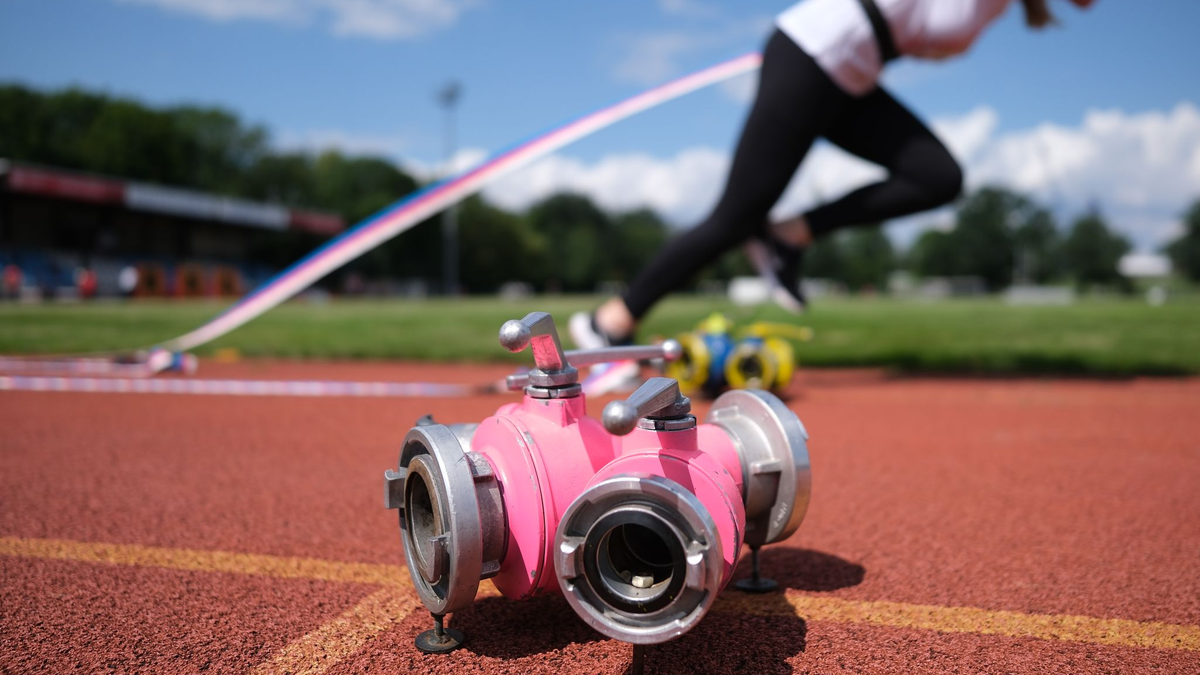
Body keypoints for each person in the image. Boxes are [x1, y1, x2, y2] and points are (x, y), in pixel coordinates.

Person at [571, 0, 1095, 350]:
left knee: (936, 176)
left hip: (853, 77)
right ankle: (606, 325)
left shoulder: (998, 8)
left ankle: (792, 233)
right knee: (735, 217)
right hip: (814, 53)